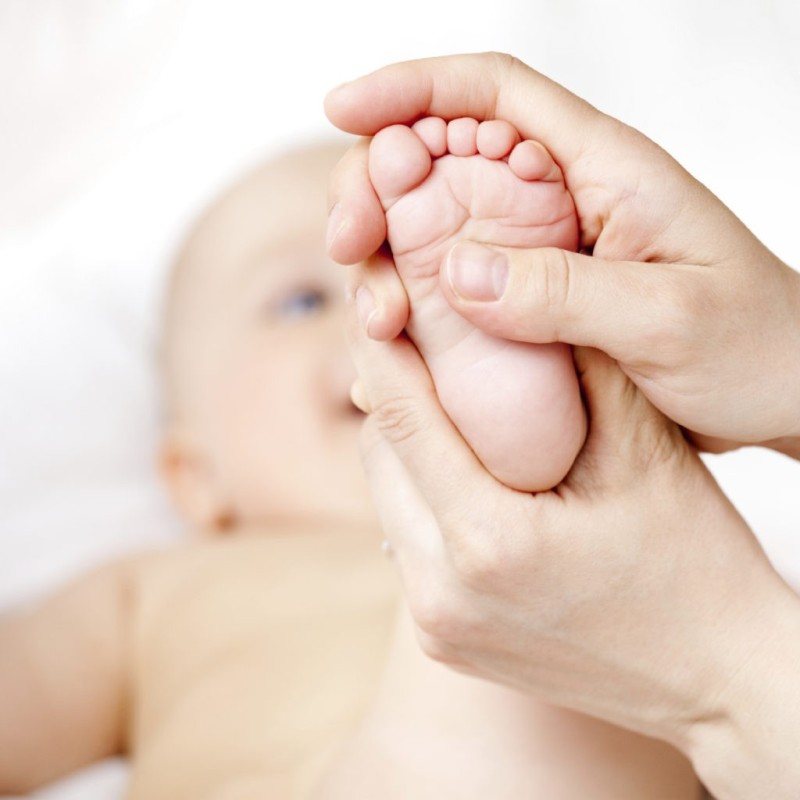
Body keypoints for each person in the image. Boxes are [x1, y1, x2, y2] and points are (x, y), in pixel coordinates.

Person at [0, 141, 699, 799]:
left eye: (420, 275)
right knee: (549, 607)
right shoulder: (150, 593)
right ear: (194, 476)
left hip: (491, 745)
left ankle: (526, 486)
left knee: (581, 612)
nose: (380, 318)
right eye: (300, 301)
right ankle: (521, 467)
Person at [324, 52, 800, 800]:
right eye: (293, 303)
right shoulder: (162, 584)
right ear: (188, 469)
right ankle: (511, 413)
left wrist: (725, 679)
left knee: (488, 703)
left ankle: (516, 438)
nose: (342, 318)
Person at [362, 116, 586, 490]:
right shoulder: (243, 544)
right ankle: (498, 381)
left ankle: (501, 389)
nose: (352, 310)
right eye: (302, 303)